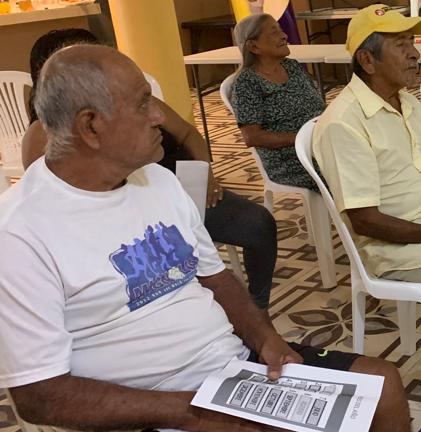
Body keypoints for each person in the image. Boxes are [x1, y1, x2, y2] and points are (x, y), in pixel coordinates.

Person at [0, 44, 420, 432]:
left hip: (225, 374)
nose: (160, 116)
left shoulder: (156, 182)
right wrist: (193, 409)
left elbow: (217, 277)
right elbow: (41, 398)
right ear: (91, 126)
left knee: (383, 387)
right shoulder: (21, 233)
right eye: (143, 103)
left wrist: (266, 340)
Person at [22, 29, 277, 310]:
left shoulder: (145, 111)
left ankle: (258, 304)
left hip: (181, 186)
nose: (153, 116)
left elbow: (188, 134)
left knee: (258, 224)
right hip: (133, 218)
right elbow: (56, 204)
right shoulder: (42, 139)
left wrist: (205, 174)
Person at [313, 5, 421, 282]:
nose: (415, 54)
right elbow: (365, 221)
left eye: (411, 42)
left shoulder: (407, 101)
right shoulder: (344, 123)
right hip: (400, 249)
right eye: (401, 45)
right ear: (367, 60)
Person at [230, 13, 324, 192]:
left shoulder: (292, 66)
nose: (284, 36)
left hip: (319, 145)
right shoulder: (247, 82)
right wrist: (303, 139)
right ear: (253, 46)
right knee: (351, 168)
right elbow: (252, 137)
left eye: (280, 30)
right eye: (274, 32)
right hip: (292, 160)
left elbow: (318, 106)